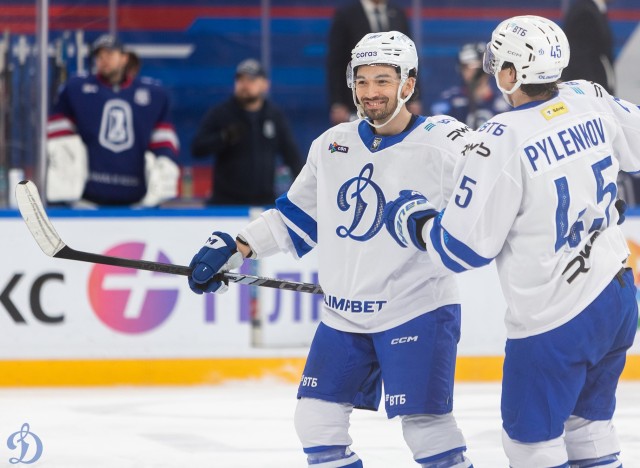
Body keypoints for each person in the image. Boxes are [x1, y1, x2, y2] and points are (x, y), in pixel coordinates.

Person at [186, 32, 474, 467]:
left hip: (417, 309)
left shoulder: (445, 141)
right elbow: (297, 218)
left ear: (408, 84)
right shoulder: (333, 144)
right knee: (316, 423)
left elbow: (496, 193)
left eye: (382, 80)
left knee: (426, 428)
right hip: (344, 317)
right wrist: (237, 247)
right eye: (362, 80)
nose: (370, 92)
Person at [383, 15, 639, 468]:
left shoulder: (501, 139)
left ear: (510, 73)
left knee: (529, 445)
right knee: (589, 427)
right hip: (617, 296)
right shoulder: (588, 95)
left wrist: (413, 219)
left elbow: (460, 250)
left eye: (497, 63)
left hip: (556, 316)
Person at [46, 34, 180, 207]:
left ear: (124, 58)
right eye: (99, 56)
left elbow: (163, 143)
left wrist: (164, 163)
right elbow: (58, 137)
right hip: (87, 200)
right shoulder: (76, 90)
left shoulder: (154, 95)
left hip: (136, 201)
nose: (104, 60)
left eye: (109, 54)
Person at [190, 58, 304, 206]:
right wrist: (223, 138)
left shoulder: (274, 116)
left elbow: (292, 156)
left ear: (265, 84)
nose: (244, 85)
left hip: (264, 203)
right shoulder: (222, 113)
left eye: (251, 80)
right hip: (226, 203)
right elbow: (197, 148)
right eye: (240, 80)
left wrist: (303, 191)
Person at [326, 0, 421, 125]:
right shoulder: (346, 14)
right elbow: (336, 62)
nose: (372, 93)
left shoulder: (397, 13)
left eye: (382, 81)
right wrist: (338, 103)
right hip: (354, 104)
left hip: (396, 97)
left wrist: (413, 97)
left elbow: (410, 59)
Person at [430, 42, 509, 129]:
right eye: (465, 67)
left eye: (476, 68)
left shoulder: (506, 103)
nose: (469, 72)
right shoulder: (449, 101)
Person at [561, 0, 615, 94]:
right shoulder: (585, 11)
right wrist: (593, 92)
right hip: (589, 86)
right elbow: (579, 55)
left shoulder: (592, 9)